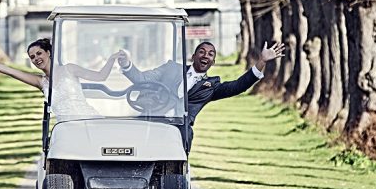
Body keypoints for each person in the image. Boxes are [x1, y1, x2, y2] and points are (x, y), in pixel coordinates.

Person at [117, 40, 285, 147]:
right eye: (202, 52)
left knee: (183, 135)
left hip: (178, 129)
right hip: (152, 118)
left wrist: (261, 61)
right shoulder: (170, 68)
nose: (206, 55)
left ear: (213, 62)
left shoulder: (212, 86)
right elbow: (142, 79)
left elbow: (238, 86)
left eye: (211, 54)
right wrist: (126, 64)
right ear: (193, 56)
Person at [0, 38, 123, 121]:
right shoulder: (41, 81)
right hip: (66, 128)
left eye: (39, 53)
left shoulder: (69, 69)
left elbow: (101, 76)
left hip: (87, 119)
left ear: (48, 53)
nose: (36, 58)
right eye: (32, 57)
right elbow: (10, 71)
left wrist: (112, 58)